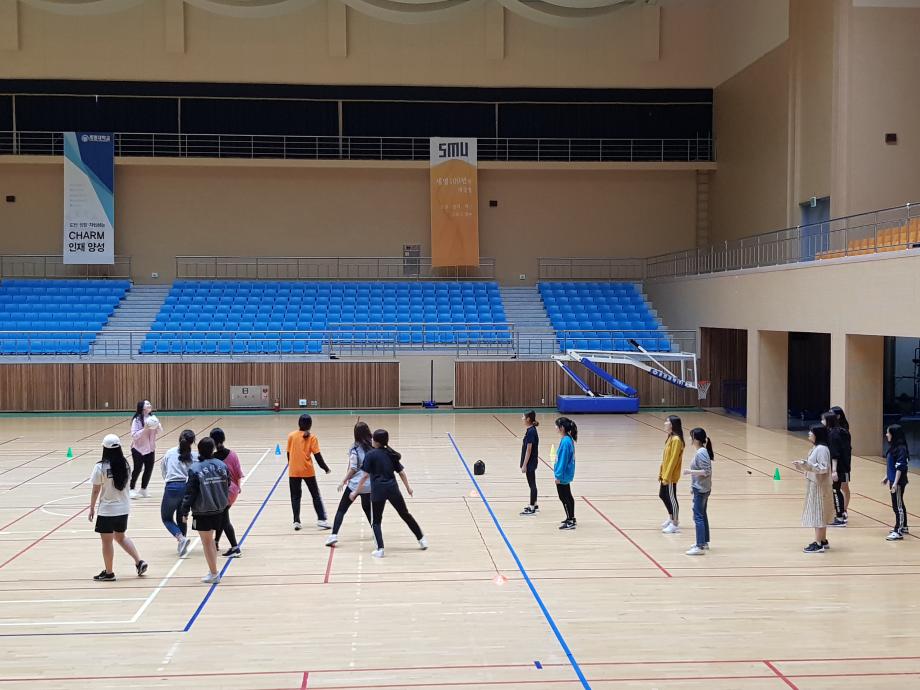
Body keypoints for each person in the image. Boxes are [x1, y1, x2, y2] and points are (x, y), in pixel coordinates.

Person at [352, 428, 427, 558]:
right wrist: (408, 488)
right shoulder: (391, 453)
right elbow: (401, 473)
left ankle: (380, 549)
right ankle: (421, 539)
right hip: (393, 489)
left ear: (376, 441)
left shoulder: (370, 455)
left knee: (376, 521)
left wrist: (355, 492)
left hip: (378, 491)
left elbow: (364, 476)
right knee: (405, 514)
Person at [88, 434, 148, 581]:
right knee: (120, 537)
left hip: (107, 510)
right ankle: (139, 561)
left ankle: (109, 573)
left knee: (107, 541)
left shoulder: (100, 467)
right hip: (123, 509)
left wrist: (92, 508)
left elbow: (96, 490)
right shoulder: (126, 465)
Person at [180, 437, 230, 584]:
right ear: (213, 449)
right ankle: (213, 570)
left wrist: (184, 511)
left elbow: (190, 493)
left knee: (207, 542)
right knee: (211, 541)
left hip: (203, 511)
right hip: (220, 509)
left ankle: (214, 574)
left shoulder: (195, 468)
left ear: (199, 450)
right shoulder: (222, 465)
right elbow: (228, 483)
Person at [326, 422, 374, 547]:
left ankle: (333, 535)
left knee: (342, 509)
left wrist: (343, 481)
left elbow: (353, 468)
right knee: (367, 509)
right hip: (369, 485)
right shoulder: (374, 446)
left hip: (355, 485)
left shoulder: (354, 449)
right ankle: (376, 531)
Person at [793, 424, 835, 553]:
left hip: (819, 486)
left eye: (811, 432)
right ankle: (822, 540)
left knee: (818, 513)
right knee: (820, 512)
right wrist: (803, 465)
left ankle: (818, 544)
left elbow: (823, 468)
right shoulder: (817, 448)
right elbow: (813, 466)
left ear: (818, 434)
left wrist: (807, 465)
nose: (809, 434)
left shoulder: (822, 449)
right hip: (815, 484)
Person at [287, 414, 331, 531]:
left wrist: (292, 465)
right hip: (307, 470)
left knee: (295, 496)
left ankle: (296, 521)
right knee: (315, 495)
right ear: (310, 425)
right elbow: (317, 456)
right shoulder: (312, 438)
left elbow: (288, 453)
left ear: (299, 423)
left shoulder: (291, 436)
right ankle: (321, 519)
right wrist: (325, 468)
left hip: (293, 471)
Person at [160, 429, 196, 557]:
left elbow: (163, 469)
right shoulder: (194, 456)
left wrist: (168, 480)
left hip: (172, 487)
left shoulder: (170, 452)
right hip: (187, 488)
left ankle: (181, 539)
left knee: (166, 518)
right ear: (192, 442)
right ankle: (182, 545)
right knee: (182, 517)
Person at [211, 427, 244, 558]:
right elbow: (238, 473)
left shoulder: (212, 458)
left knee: (224, 520)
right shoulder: (233, 454)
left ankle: (235, 547)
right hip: (233, 490)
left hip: (222, 492)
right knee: (222, 516)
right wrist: (238, 488)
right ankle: (216, 542)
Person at [683, 428, 713, 556]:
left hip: (701, 490)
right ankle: (704, 542)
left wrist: (689, 472)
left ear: (696, 439)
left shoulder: (701, 453)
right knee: (702, 514)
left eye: (691, 436)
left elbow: (706, 471)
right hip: (701, 488)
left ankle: (699, 546)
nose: (690, 439)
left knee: (698, 516)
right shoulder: (702, 451)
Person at [823, 411, 852, 528]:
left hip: (838, 468)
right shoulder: (838, 432)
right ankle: (840, 514)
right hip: (842, 466)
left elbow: (835, 454)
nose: (822, 422)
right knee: (836, 489)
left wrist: (834, 470)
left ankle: (839, 517)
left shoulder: (834, 435)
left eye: (823, 420)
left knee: (836, 490)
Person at [882, 424, 910, 541]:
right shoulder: (893, 447)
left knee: (897, 506)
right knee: (899, 503)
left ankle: (898, 530)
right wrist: (887, 477)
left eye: (888, 432)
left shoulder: (901, 449)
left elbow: (900, 467)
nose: (886, 435)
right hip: (893, 480)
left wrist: (895, 483)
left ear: (894, 434)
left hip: (898, 482)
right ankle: (904, 526)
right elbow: (892, 465)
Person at [129, 400, 161, 498]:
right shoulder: (137, 420)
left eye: (150, 403)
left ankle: (143, 489)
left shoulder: (153, 418)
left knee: (148, 469)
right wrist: (145, 428)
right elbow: (134, 435)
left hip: (150, 448)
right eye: (147, 404)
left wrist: (157, 425)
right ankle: (131, 489)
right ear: (142, 407)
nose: (149, 405)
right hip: (138, 449)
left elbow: (160, 431)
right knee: (137, 469)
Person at [659, 415, 685, 534]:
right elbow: (666, 459)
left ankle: (675, 523)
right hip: (665, 474)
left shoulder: (676, 440)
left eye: (667, 421)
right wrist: (661, 472)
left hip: (670, 476)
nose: (665, 423)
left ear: (672, 425)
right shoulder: (670, 438)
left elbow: (673, 460)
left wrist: (667, 476)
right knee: (663, 495)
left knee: (672, 498)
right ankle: (671, 517)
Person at [554, 417, 577, 530]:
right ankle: (571, 517)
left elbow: (563, 460)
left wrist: (558, 476)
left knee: (563, 497)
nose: (555, 428)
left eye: (557, 426)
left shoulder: (565, 442)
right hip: (566, 473)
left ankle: (570, 520)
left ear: (562, 428)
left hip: (563, 474)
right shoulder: (568, 439)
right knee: (568, 495)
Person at [519, 411, 541, 516]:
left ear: (528, 419)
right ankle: (534, 504)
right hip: (531, 461)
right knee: (532, 483)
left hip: (530, 462)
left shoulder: (531, 432)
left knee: (532, 484)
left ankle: (532, 507)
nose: (522, 418)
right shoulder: (530, 430)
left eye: (523, 417)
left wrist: (524, 465)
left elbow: (529, 449)